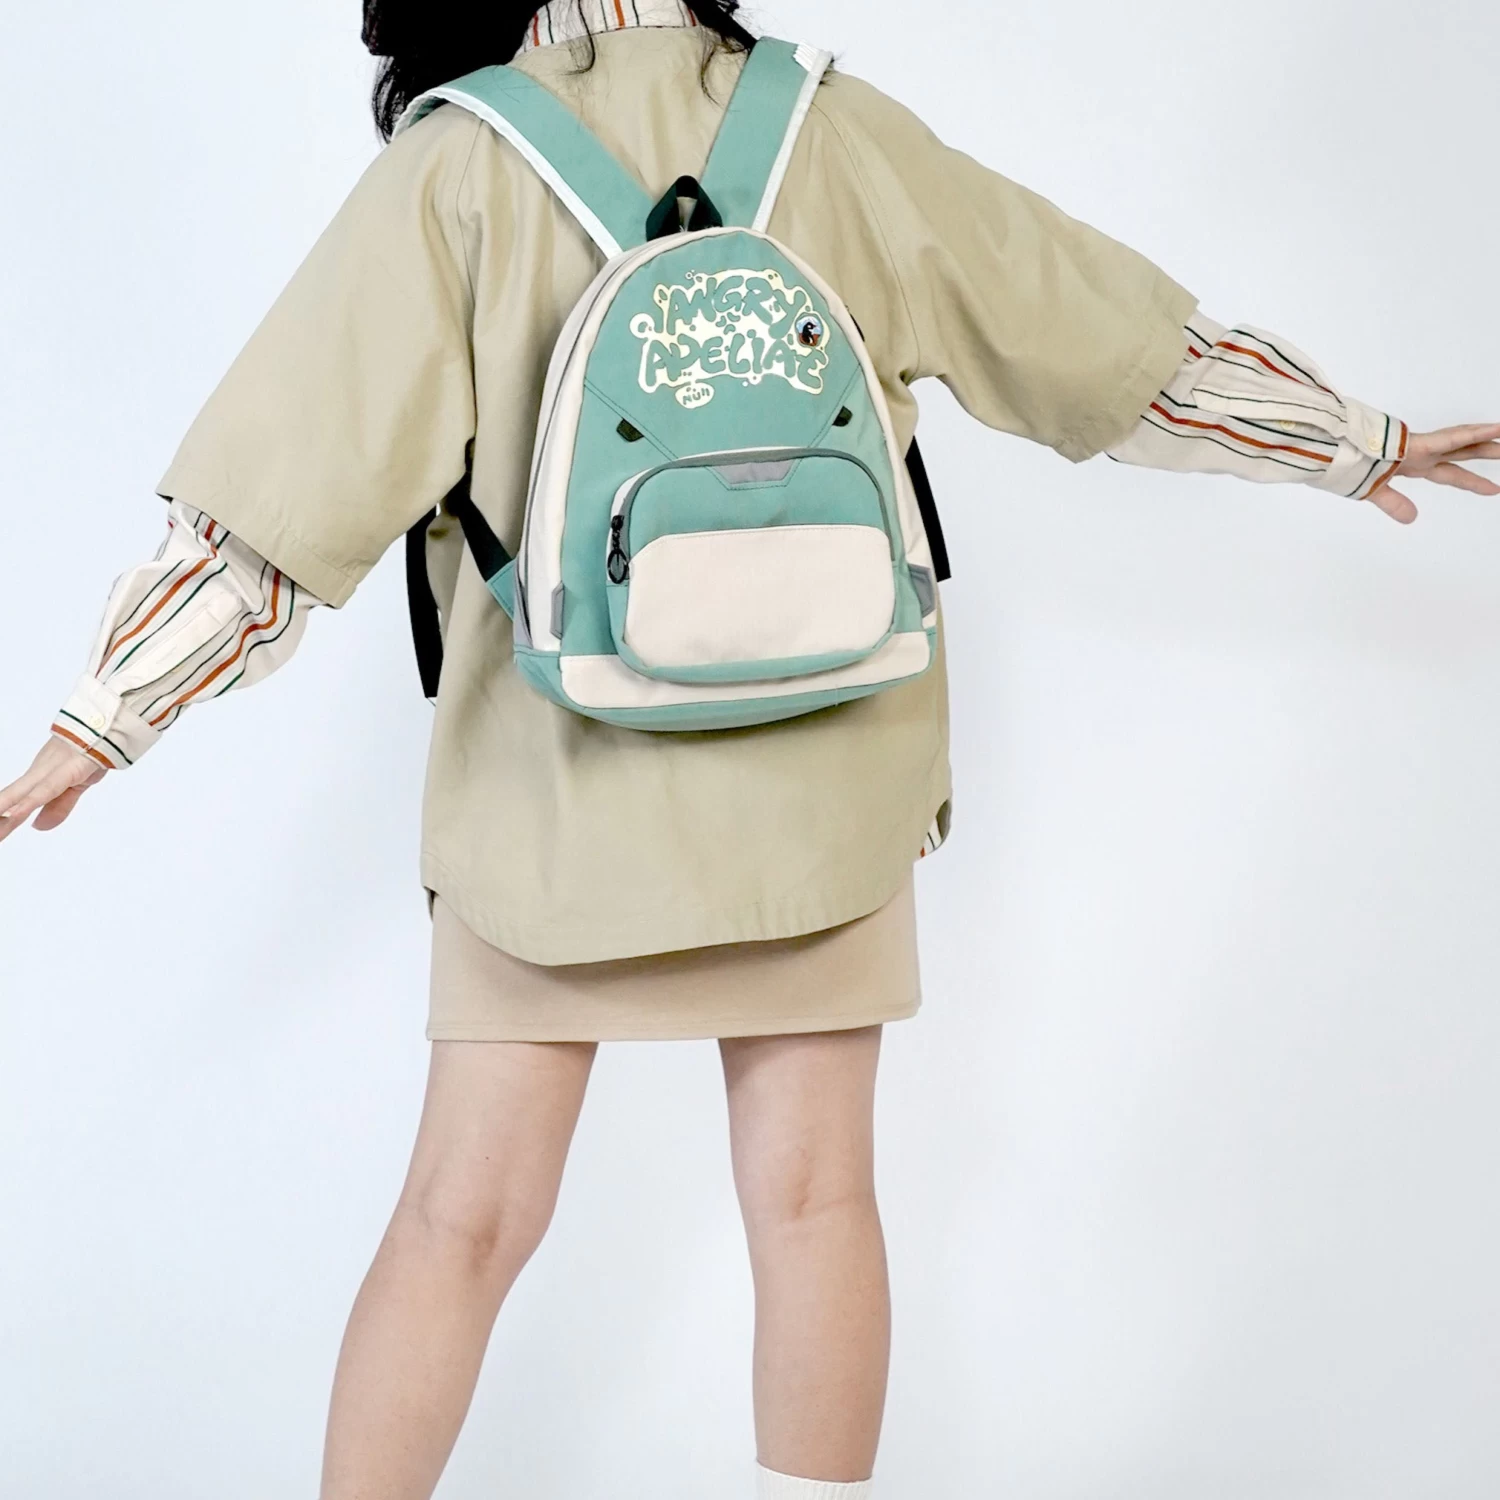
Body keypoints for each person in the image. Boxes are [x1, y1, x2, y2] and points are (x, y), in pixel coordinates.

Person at [3, 2, 1496, 1497]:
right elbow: (1098, 339)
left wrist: (103, 720)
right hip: (823, 773)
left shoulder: (460, 162)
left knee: (458, 1225)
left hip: (554, 802)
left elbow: (274, 505)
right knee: (815, 1207)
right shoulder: (824, 126)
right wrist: (1349, 438)